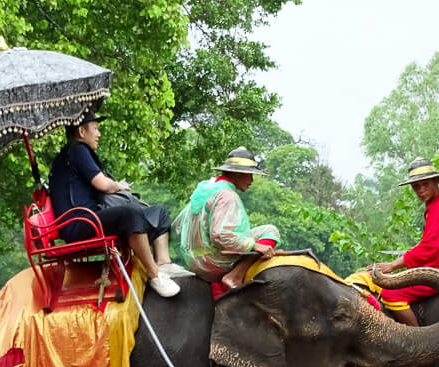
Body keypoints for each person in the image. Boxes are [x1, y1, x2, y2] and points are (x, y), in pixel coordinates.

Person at [49, 111, 184, 298]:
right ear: (81, 131)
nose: (99, 134)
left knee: (158, 212)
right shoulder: (77, 150)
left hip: (90, 218)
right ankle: (154, 274)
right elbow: (102, 184)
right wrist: (119, 186)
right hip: (79, 223)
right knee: (130, 213)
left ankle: (163, 264)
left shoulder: (68, 155)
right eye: (95, 129)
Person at [372, 158, 439, 326]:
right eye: (416, 186)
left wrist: (393, 266)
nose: (421, 190)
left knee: (390, 294)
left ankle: (416, 337)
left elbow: (429, 248)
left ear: (436, 180)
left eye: (425, 184)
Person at [175, 147, 281, 289]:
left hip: (193, 261)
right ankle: (235, 276)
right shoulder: (227, 195)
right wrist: (255, 246)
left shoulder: (204, 190)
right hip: (214, 262)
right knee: (271, 230)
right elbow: (220, 235)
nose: (251, 180)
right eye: (249, 174)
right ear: (237, 173)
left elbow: (177, 226)